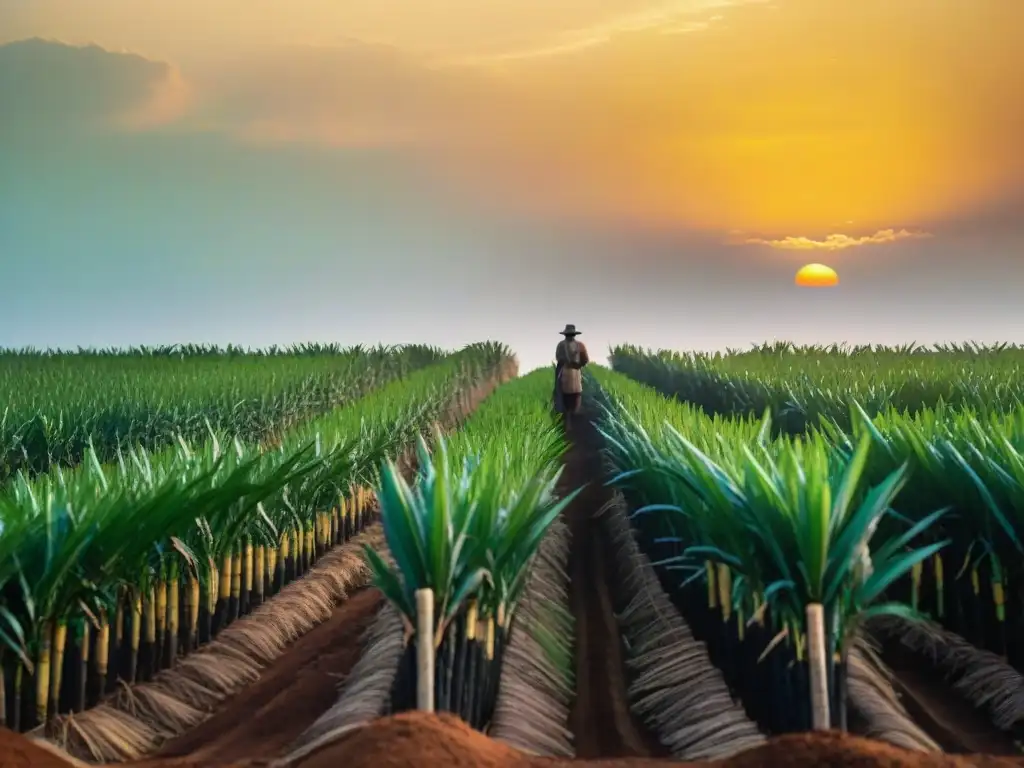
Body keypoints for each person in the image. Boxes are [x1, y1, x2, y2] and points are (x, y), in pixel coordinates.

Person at [553, 324, 590, 431]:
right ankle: (572, 421)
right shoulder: (580, 345)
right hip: (574, 373)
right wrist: (578, 364)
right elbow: (585, 360)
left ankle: (569, 422)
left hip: (568, 372)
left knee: (567, 397)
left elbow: (558, 358)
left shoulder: (561, 345)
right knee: (575, 395)